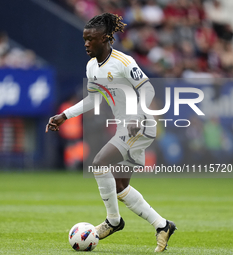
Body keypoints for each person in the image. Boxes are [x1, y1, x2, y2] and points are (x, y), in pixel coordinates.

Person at [45, 13, 176, 252]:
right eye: (84, 39)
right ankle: (163, 225)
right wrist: (65, 115)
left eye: (90, 39)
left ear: (105, 38)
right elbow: (92, 99)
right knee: (120, 187)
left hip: (140, 124)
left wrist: (137, 114)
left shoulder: (123, 62)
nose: (86, 44)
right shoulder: (92, 66)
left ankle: (113, 221)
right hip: (126, 126)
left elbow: (147, 89)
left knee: (98, 163)